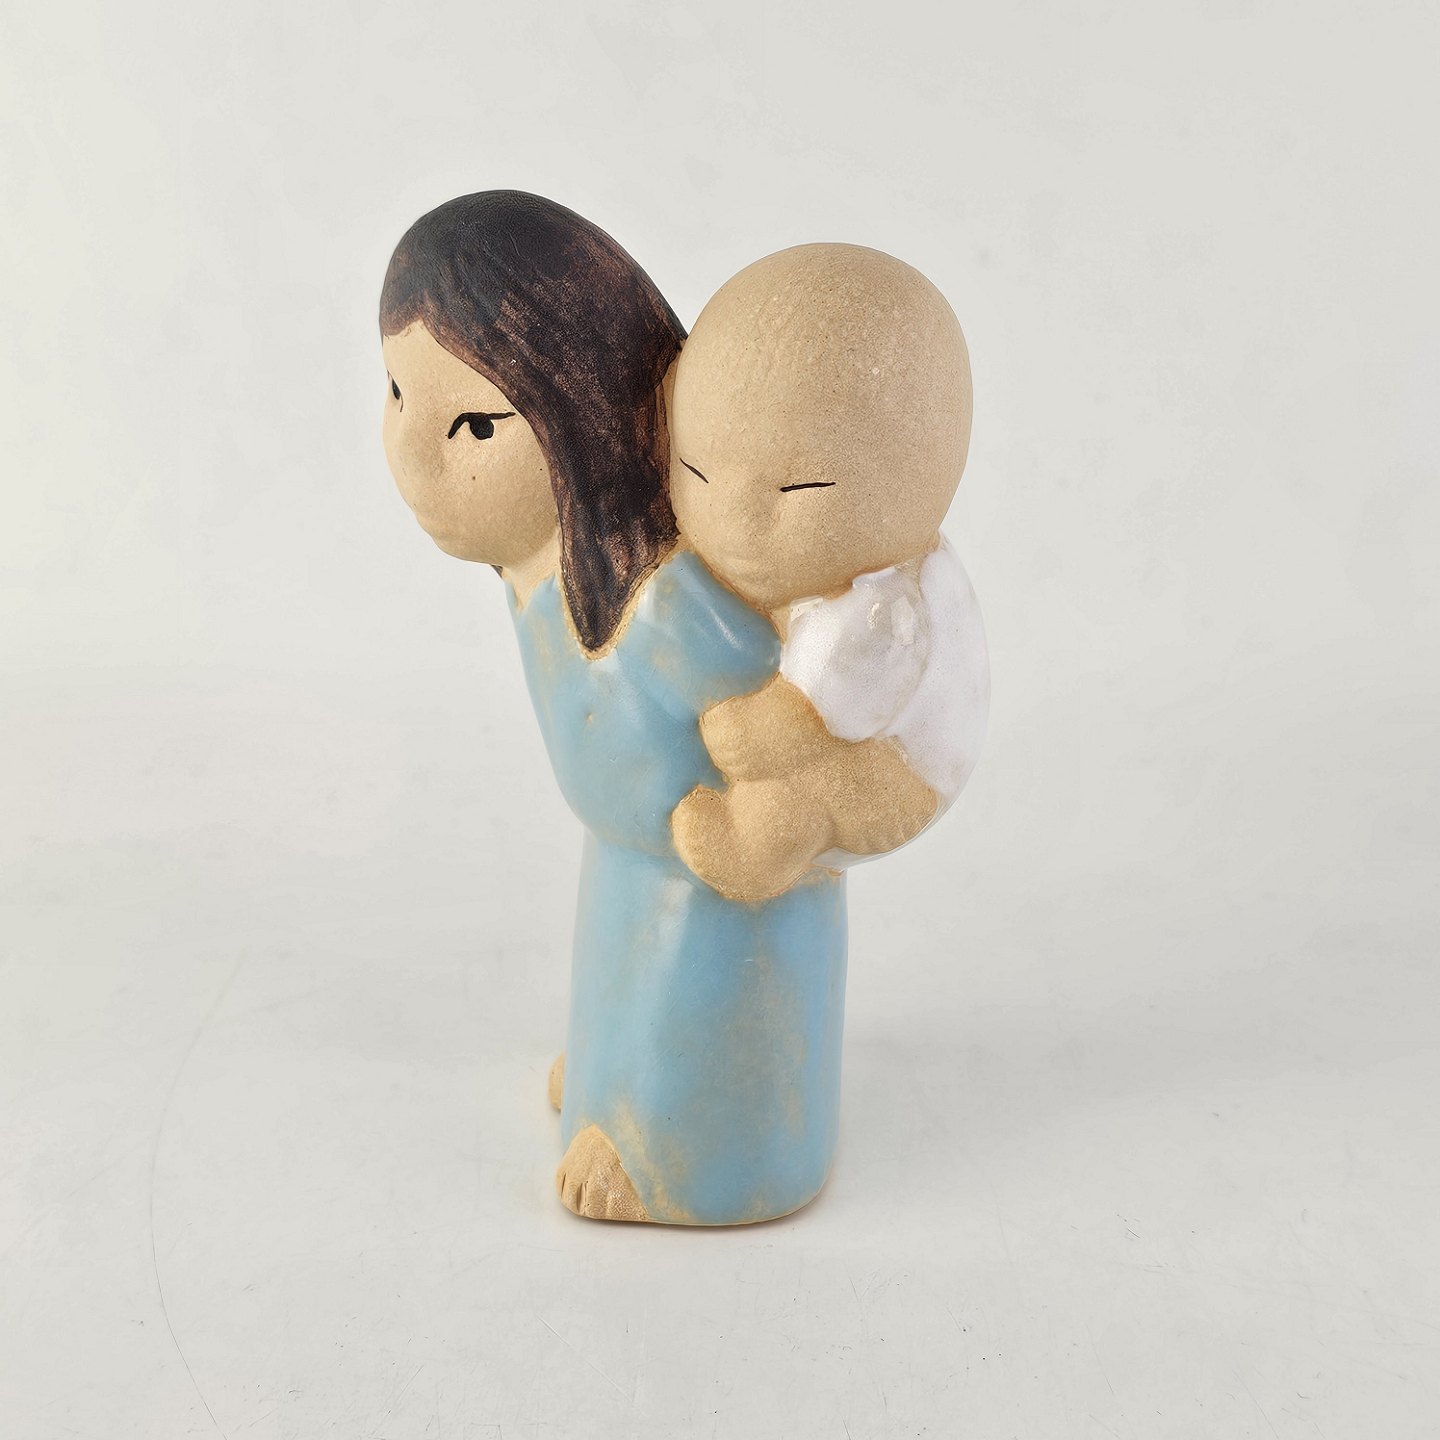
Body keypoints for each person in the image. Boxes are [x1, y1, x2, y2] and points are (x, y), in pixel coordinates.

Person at [379, 192, 847, 1224]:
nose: (411, 454)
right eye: (397, 393)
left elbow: (786, 724)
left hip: (724, 894)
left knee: (687, 932)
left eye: (472, 425)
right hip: (635, 859)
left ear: (580, 417)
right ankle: (608, 1075)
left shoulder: (671, 612)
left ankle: (698, 1152)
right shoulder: (540, 573)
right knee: (625, 907)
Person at [668, 243, 991, 903]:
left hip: (893, 770)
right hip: (866, 746)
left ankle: (760, 850)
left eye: (798, 490)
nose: (735, 521)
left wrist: (767, 731)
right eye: (696, 471)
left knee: (799, 790)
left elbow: (834, 701)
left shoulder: (882, 608)